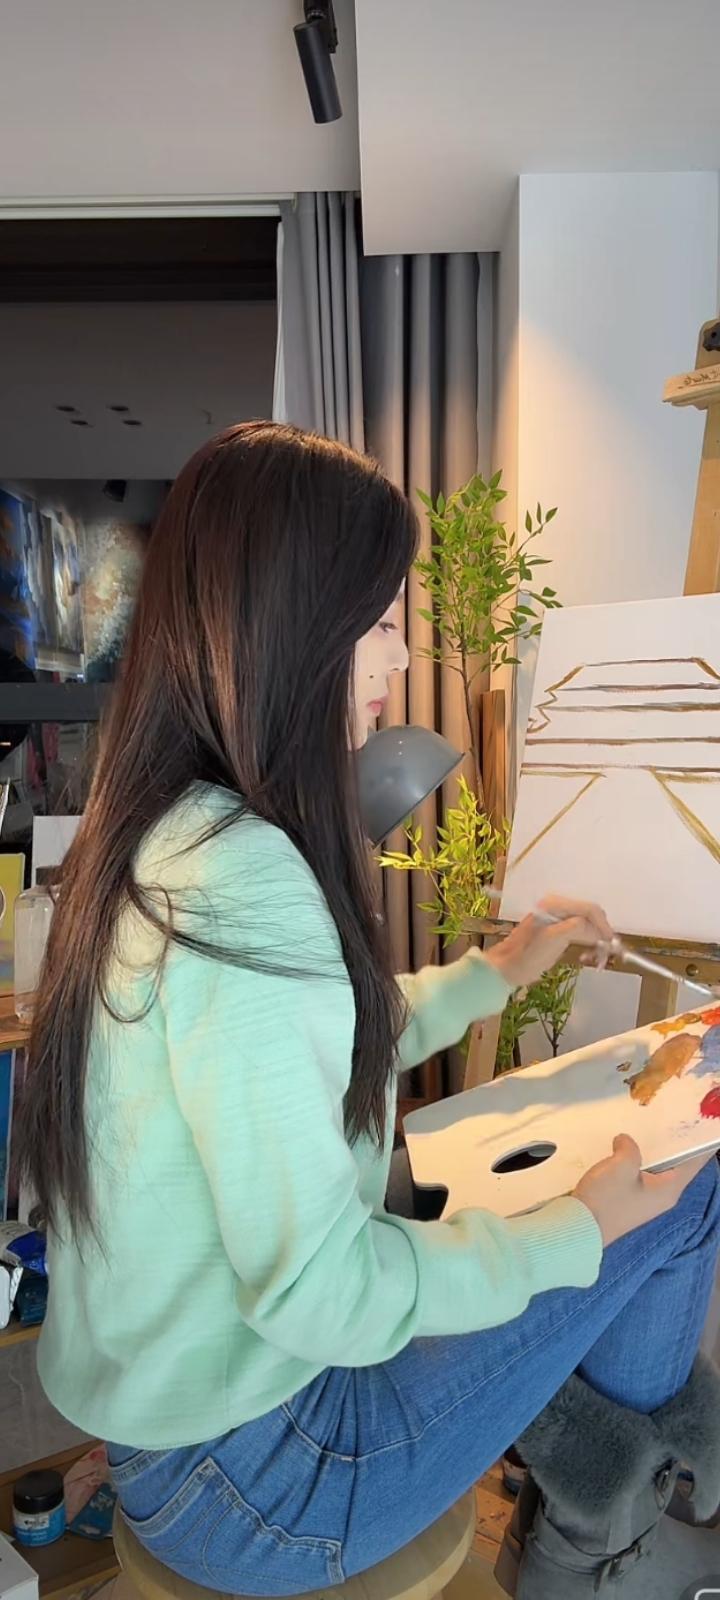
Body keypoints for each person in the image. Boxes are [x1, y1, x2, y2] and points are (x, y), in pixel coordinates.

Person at [18, 424, 720, 1599]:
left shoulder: (164, 829)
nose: (399, 655)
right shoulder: (244, 884)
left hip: (191, 1431)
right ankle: (603, 1547)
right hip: (264, 1484)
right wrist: (576, 1232)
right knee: (681, 1190)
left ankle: (596, 1476)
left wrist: (498, 971)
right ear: (297, 626)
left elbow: (304, 1049)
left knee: (554, 1201)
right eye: (383, 619)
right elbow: (322, 1294)